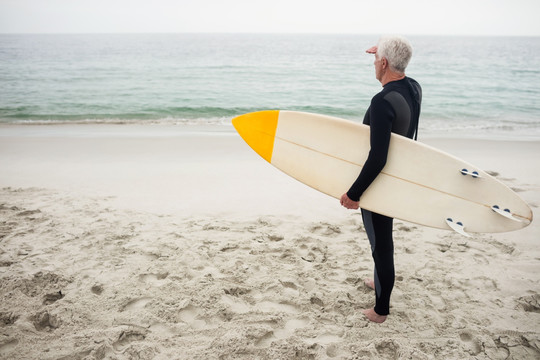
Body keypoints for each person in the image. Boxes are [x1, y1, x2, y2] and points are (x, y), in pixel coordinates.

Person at [340, 36, 422, 323]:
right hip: (397, 177)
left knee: (381, 244)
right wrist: (386, 51)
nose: (374, 64)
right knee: (382, 240)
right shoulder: (412, 88)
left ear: (384, 63)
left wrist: (354, 193)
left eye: (377, 60)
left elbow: (378, 156)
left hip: (379, 181)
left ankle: (380, 311)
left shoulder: (382, 101)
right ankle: (379, 281)